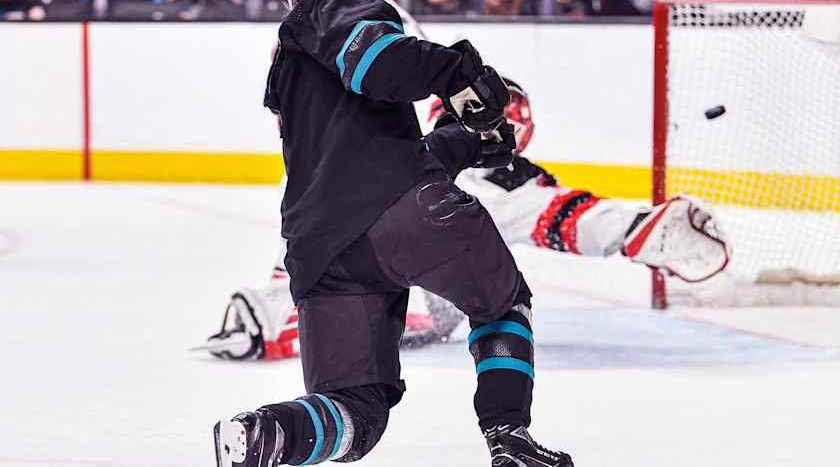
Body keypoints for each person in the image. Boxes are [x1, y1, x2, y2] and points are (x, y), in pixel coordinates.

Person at [213, 0, 575, 467]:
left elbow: (377, 154)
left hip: (320, 250)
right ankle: (509, 438)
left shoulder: (295, 69)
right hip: (398, 210)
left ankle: (266, 434)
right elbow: (376, 66)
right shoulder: (334, 3)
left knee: (355, 410)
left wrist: (467, 141)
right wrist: (458, 72)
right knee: (501, 303)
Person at [200, 78, 730, 360]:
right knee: (438, 303)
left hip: (362, 256)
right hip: (424, 282)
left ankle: (274, 310)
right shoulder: (505, 179)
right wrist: (639, 228)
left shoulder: (407, 153)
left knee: (338, 250)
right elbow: (564, 216)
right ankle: (274, 316)